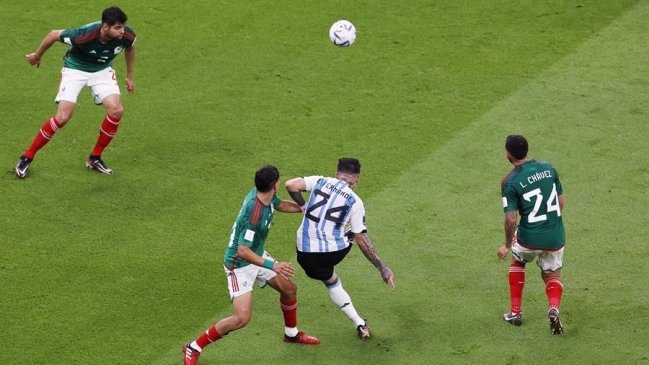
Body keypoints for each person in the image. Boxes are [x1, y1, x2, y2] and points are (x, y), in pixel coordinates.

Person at [182, 166, 319, 365]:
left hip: (256, 255)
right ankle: (193, 347)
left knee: (289, 289)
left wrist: (304, 209)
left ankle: (291, 334)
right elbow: (242, 251)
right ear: (275, 185)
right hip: (239, 265)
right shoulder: (254, 214)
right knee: (241, 318)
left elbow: (279, 204)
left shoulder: (265, 196)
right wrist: (274, 265)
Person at [15, 6, 136, 178]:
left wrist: (129, 76)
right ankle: (27, 157)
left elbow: (130, 48)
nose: (122, 31)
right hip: (75, 69)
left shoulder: (126, 36)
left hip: (101, 71)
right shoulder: (83, 35)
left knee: (116, 110)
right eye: (118, 27)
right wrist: (37, 55)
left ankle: (95, 158)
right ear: (105, 27)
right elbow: (53, 34)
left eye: (123, 26)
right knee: (63, 117)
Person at [285, 158, 395, 339]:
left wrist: (303, 206)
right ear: (357, 180)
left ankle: (359, 322)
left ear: (336, 174)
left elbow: (290, 184)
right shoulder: (355, 201)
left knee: (331, 281)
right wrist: (382, 268)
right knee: (356, 231)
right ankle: (359, 324)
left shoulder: (321, 181)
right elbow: (362, 241)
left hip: (303, 254)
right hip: (331, 255)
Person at [497, 135, 566, 335]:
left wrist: (507, 245)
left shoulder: (509, 181)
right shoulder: (549, 168)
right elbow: (560, 203)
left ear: (508, 154)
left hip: (528, 238)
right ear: (527, 150)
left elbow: (511, 220)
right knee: (552, 275)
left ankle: (515, 313)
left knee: (518, 262)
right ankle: (553, 308)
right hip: (555, 236)